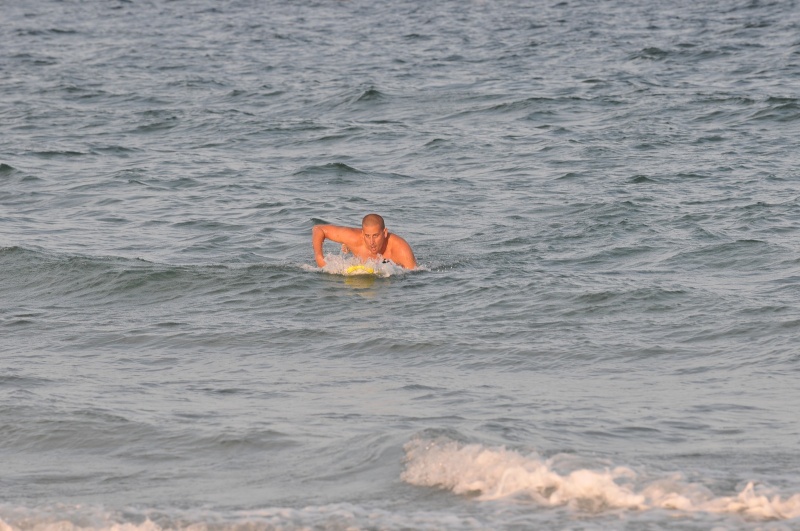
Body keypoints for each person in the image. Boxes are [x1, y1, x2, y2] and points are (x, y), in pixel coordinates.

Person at [312, 213, 417, 269]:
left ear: (385, 233)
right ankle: (349, 246)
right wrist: (319, 258)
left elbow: (412, 277)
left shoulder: (400, 249)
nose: (371, 242)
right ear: (362, 234)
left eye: (375, 236)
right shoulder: (354, 238)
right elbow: (318, 229)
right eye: (367, 236)